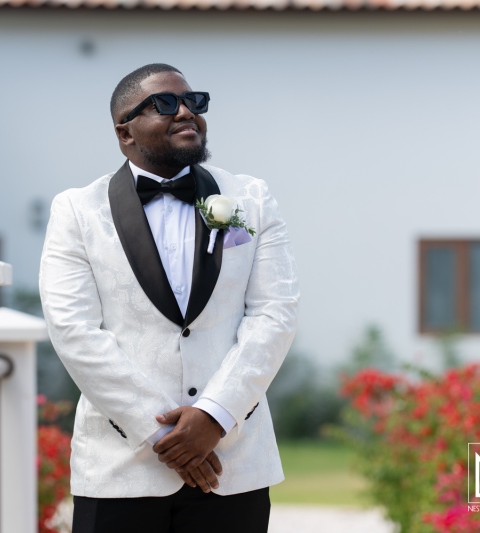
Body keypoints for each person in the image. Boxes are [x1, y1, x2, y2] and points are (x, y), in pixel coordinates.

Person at [38, 63, 299, 533]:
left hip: (231, 463)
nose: (185, 112)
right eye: (164, 103)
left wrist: (213, 417)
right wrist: (168, 437)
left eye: (194, 101)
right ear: (125, 131)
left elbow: (274, 313)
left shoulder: (250, 199)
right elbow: (74, 330)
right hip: (120, 469)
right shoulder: (77, 210)